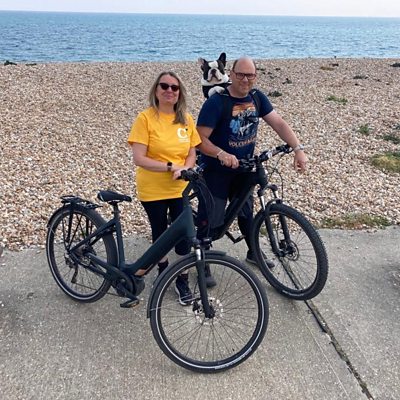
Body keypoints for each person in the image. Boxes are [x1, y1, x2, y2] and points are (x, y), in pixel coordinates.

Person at [196, 56, 307, 265]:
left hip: (244, 167)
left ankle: (253, 253)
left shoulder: (257, 97)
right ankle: (203, 261)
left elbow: (279, 123)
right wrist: (221, 154)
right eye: (240, 75)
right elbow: (199, 139)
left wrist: (297, 148)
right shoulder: (216, 102)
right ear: (231, 74)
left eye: (250, 75)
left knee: (247, 214)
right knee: (210, 220)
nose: (245, 80)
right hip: (217, 170)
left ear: (255, 76)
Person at [128, 71, 201, 306]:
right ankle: (162, 268)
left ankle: (182, 278)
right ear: (156, 90)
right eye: (164, 86)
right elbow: (139, 158)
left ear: (180, 93)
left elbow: (192, 152)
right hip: (153, 188)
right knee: (160, 233)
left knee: (183, 236)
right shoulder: (145, 119)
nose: (169, 90)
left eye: (174, 87)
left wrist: (186, 168)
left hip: (180, 188)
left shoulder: (186, 119)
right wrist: (170, 167)